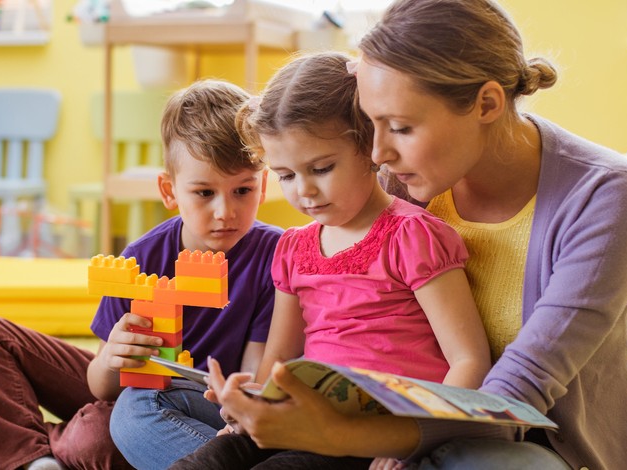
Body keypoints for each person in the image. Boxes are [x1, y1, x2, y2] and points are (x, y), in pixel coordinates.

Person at [198, 1, 627, 469]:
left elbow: (518, 391)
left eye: (399, 127)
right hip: (382, 419)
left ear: (487, 104)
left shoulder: (607, 195)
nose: (377, 153)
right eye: (370, 124)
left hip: (525, 442)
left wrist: (347, 435)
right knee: (169, 412)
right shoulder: (402, 176)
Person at [172, 51, 491, 470]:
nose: (303, 191)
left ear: (369, 147)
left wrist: (414, 439)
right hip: (301, 421)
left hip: (373, 437)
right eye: (286, 175)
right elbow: (278, 364)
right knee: (209, 459)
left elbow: (469, 360)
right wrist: (248, 405)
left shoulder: (412, 236)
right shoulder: (293, 249)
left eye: (321, 168)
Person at [0, 79, 283, 470]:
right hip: (132, 391)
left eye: (242, 191)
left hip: (205, 408)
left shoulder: (275, 256)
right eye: (203, 193)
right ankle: (35, 457)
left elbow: (254, 379)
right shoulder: (141, 257)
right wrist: (113, 358)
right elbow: (99, 385)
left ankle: (16, 437)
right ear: (169, 191)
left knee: (100, 435)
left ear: (262, 185)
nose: (224, 212)